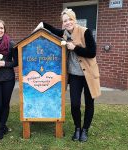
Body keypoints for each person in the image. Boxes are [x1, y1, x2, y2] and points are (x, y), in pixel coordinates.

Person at [34, 8, 101, 142]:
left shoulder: (85, 31)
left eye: (70, 19)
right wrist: (41, 24)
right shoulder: (64, 33)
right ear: (63, 23)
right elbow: (52, 29)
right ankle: (77, 128)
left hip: (88, 75)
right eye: (65, 20)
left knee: (89, 103)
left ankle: (85, 130)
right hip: (74, 76)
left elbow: (92, 52)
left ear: (74, 19)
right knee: (75, 104)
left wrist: (74, 48)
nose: (68, 22)